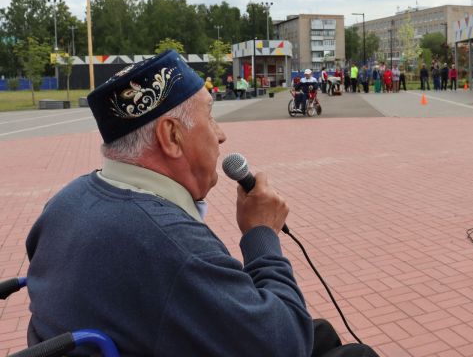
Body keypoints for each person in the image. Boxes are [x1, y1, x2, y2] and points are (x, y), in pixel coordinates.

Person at [24, 51, 376, 356]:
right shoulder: (169, 243)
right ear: (171, 137)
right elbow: (282, 345)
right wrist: (262, 235)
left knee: (322, 333)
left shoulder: (64, 201)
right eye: (209, 115)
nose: (220, 133)